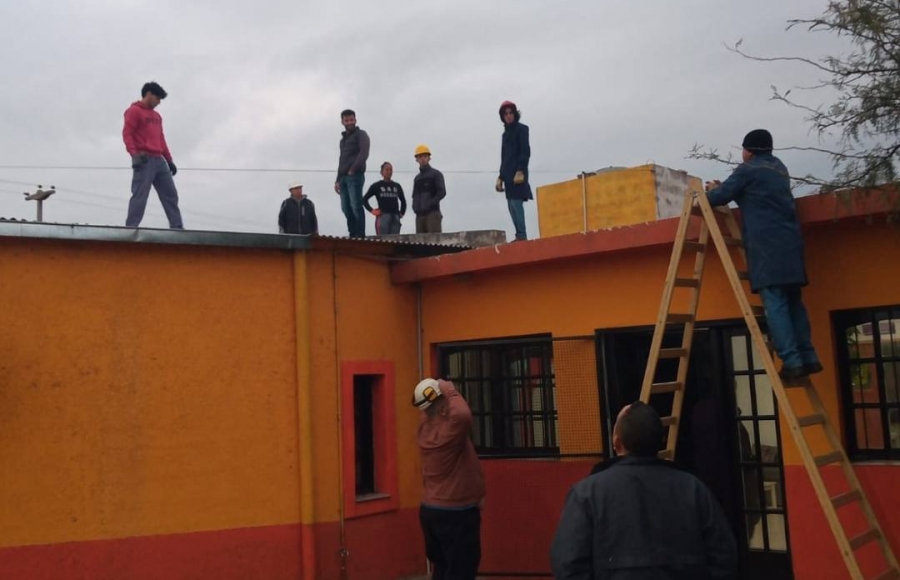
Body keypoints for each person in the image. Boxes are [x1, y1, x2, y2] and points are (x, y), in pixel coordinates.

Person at [550, 402, 737, 579]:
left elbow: (568, 563)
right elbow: (724, 556)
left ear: (617, 443)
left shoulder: (586, 494)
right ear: (660, 441)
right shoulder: (693, 488)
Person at [705, 129, 822, 383]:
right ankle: (808, 356)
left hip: (766, 249)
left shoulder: (747, 170)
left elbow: (719, 197)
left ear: (748, 150)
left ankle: (792, 363)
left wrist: (710, 191)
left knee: (776, 306)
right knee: (794, 303)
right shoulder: (780, 168)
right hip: (791, 245)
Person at [413, 378, 485, 580]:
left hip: (431, 512)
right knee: (461, 571)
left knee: (443, 569)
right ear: (442, 403)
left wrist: (438, 396)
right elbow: (462, 415)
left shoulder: (425, 429)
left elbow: (434, 411)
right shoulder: (450, 432)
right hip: (456, 514)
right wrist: (449, 389)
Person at [122, 81, 183, 229]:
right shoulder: (133, 111)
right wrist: (134, 154)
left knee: (171, 195)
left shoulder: (157, 116)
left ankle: (177, 227)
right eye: (158, 98)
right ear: (149, 94)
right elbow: (127, 134)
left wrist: (169, 160)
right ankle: (131, 228)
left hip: (159, 160)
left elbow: (161, 138)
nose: (159, 102)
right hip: (144, 159)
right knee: (140, 195)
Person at [495, 100, 533, 241]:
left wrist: (521, 170)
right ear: (503, 117)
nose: (509, 115)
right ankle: (518, 235)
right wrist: (500, 177)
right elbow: (504, 157)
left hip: (518, 173)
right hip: (508, 174)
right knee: (511, 205)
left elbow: (525, 151)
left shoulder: (522, 129)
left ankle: (522, 235)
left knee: (517, 204)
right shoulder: (505, 135)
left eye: (511, 113)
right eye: (506, 114)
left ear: (515, 114)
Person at [334, 109, 370, 238]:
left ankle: (360, 234)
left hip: (355, 176)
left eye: (351, 119)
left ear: (355, 120)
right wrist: (337, 179)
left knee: (356, 205)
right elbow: (341, 160)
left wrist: (353, 169)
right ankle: (353, 233)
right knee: (346, 207)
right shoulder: (342, 140)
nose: (349, 122)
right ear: (342, 122)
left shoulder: (361, 134)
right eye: (346, 120)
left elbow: (364, 153)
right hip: (343, 177)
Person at [363, 161, 406, 235]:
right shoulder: (376, 186)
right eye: (386, 169)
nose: (389, 171)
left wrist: (402, 212)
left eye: (390, 170)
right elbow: (364, 200)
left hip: (395, 217)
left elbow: (403, 201)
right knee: (382, 241)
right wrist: (372, 210)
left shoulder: (397, 186)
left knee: (395, 241)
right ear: (381, 172)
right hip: (383, 217)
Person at [412, 145, 446, 233]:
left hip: (433, 214)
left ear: (429, 158)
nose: (422, 159)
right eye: (420, 157)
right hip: (419, 216)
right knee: (419, 243)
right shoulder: (417, 179)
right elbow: (414, 196)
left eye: (425, 156)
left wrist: (430, 203)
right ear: (417, 159)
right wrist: (415, 208)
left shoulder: (436, 174)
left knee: (434, 241)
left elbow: (442, 192)